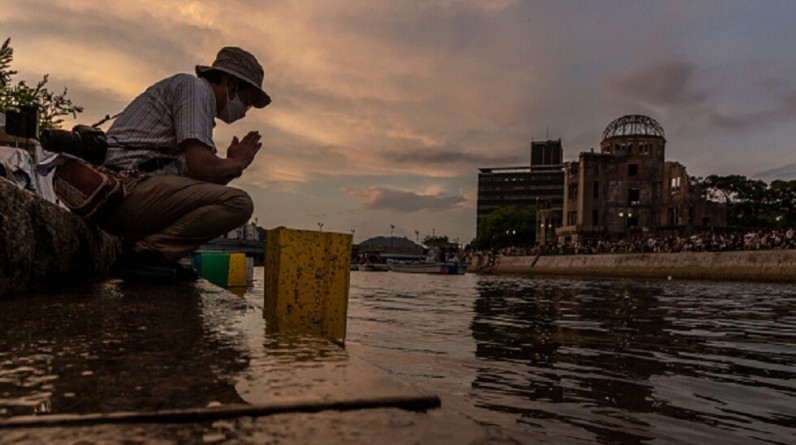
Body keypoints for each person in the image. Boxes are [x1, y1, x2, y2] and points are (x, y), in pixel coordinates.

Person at [99, 46, 271, 281]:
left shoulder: (198, 109)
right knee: (239, 203)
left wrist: (232, 166)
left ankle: (156, 255)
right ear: (231, 85)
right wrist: (236, 161)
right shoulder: (195, 90)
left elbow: (199, 185)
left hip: (133, 193)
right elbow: (202, 166)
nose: (244, 111)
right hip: (124, 187)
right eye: (247, 102)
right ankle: (147, 255)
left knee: (223, 199)